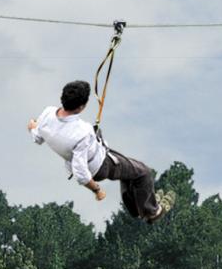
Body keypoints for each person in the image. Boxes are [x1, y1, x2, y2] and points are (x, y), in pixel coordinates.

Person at [28, 79, 174, 222]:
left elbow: (38, 138)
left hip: (95, 155)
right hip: (102, 166)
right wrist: (97, 190)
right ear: (81, 107)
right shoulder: (82, 132)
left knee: (128, 174)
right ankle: (153, 212)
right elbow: (81, 173)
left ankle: (137, 209)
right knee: (143, 172)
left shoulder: (48, 113)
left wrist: (32, 127)